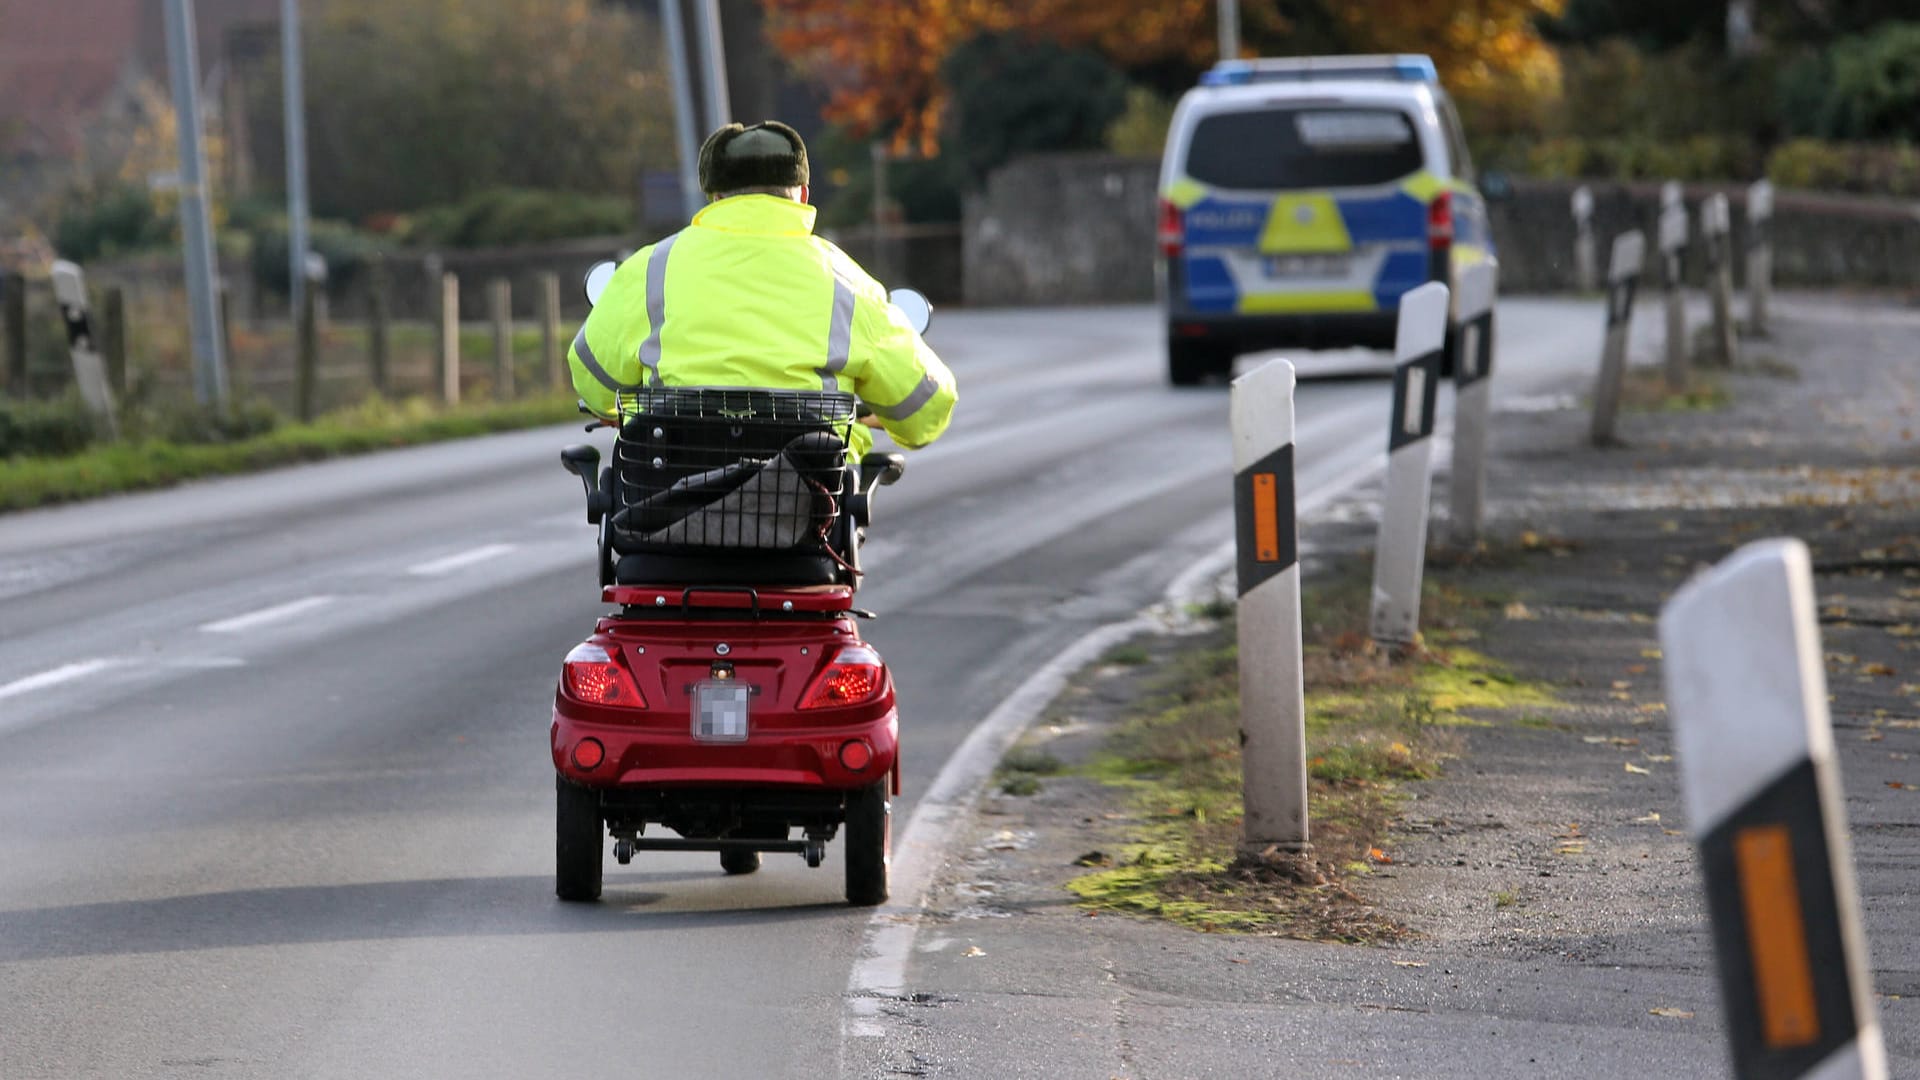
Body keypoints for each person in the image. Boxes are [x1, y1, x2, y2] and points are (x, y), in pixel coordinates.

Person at [567, 120, 956, 460]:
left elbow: (590, 376)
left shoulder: (653, 267)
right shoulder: (847, 282)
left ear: (715, 196)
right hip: (807, 512)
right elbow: (927, 409)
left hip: (665, 510)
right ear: (803, 192)